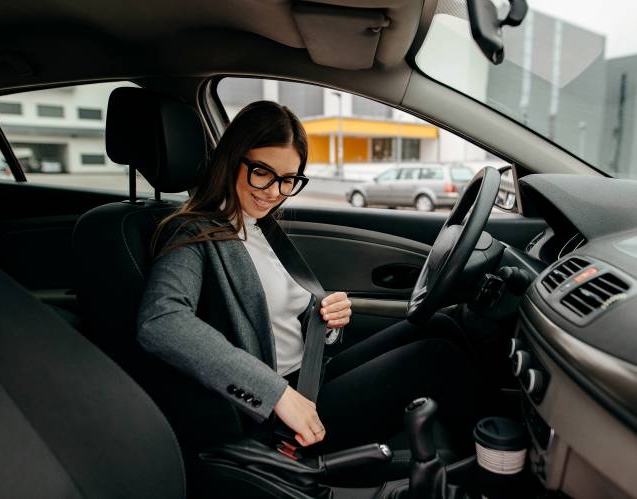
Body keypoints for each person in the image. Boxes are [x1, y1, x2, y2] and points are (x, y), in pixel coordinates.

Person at [137, 101, 481, 454]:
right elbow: (162, 322)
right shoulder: (192, 234)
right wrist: (276, 393)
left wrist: (326, 321)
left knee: (440, 324)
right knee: (438, 358)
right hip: (279, 411)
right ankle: (489, 466)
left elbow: (284, 320)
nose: (273, 191)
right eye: (262, 172)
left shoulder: (259, 227)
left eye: (288, 180)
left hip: (312, 374)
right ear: (231, 159)